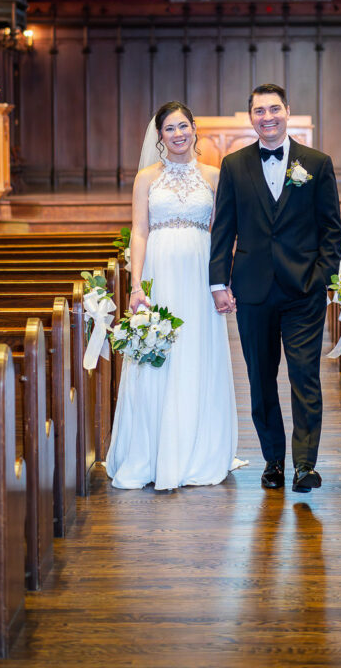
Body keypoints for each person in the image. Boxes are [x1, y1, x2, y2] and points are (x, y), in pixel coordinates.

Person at [209, 84, 341, 493]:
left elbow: (331, 230)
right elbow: (224, 228)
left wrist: (321, 277)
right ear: (250, 117)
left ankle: (305, 465)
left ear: (288, 111)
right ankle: (273, 461)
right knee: (261, 380)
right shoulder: (234, 165)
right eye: (259, 110)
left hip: (303, 291)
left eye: (274, 109)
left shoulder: (317, 164)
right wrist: (218, 281)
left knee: (305, 378)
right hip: (253, 291)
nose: (267, 117)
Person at [105, 101, 239, 490]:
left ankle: (199, 450)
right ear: (159, 136)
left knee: (198, 352)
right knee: (160, 357)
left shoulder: (214, 176)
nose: (178, 134)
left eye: (184, 126)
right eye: (169, 129)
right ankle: (153, 452)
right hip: (160, 275)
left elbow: (222, 235)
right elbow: (140, 231)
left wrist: (223, 282)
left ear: (195, 129)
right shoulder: (146, 177)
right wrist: (136, 286)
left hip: (200, 276)